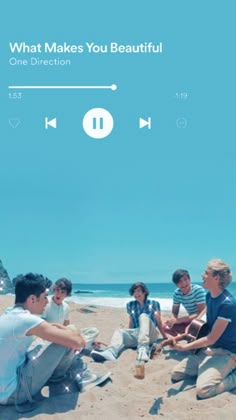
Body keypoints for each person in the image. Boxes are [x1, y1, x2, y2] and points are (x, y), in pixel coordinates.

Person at [0, 273, 110, 412]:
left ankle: (75, 367)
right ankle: (62, 376)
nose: (47, 301)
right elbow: (77, 342)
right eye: (44, 297)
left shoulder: (7, 314)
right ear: (32, 299)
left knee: (54, 341)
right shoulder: (26, 320)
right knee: (65, 343)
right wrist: (68, 331)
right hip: (14, 393)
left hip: (8, 383)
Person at [171, 259, 236, 399]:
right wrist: (195, 321)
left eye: (206, 273)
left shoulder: (228, 304)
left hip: (227, 352)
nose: (202, 275)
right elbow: (206, 309)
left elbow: (211, 338)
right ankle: (209, 369)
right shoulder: (209, 295)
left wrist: (185, 347)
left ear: (216, 277)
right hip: (212, 349)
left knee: (203, 390)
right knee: (176, 374)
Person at [91, 282, 168, 362]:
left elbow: (159, 322)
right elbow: (131, 321)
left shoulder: (154, 304)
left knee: (143, 316)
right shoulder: (130, 305)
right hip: (137, 334)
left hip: (151, 334)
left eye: (138, 291)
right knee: (119, 331)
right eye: (134, 291)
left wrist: (165, 337)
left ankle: (143, 350)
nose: (136, 294)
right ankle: (111, 353)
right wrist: (129, 333)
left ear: (144, 292)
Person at [43, 278, 99, 348]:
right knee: (73, 341)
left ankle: (88, 345)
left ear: (67, 294)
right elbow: (41, 325)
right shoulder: (44, 302)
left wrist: (82, 337)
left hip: (62, 335)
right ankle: (85, 347)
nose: (58, 294)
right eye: (57, 290)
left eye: (62, 292)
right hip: (48, 337)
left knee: (93, 331)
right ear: (54, 289)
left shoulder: (66, 307)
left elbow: (67, 326)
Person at [164, 269, 206, 336]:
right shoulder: (177, 293)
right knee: (165, 327)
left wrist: (179, 320)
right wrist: (172, 320)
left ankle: (189, 337)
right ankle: (180, 338)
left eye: (185, 279)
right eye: (180, 281)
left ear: (189, 279)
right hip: (190, 320)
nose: (183, 283)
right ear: (176, 284)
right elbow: (174, 312)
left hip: (202, 321)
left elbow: (201, 313)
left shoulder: (198, 290)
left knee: (190, 329)